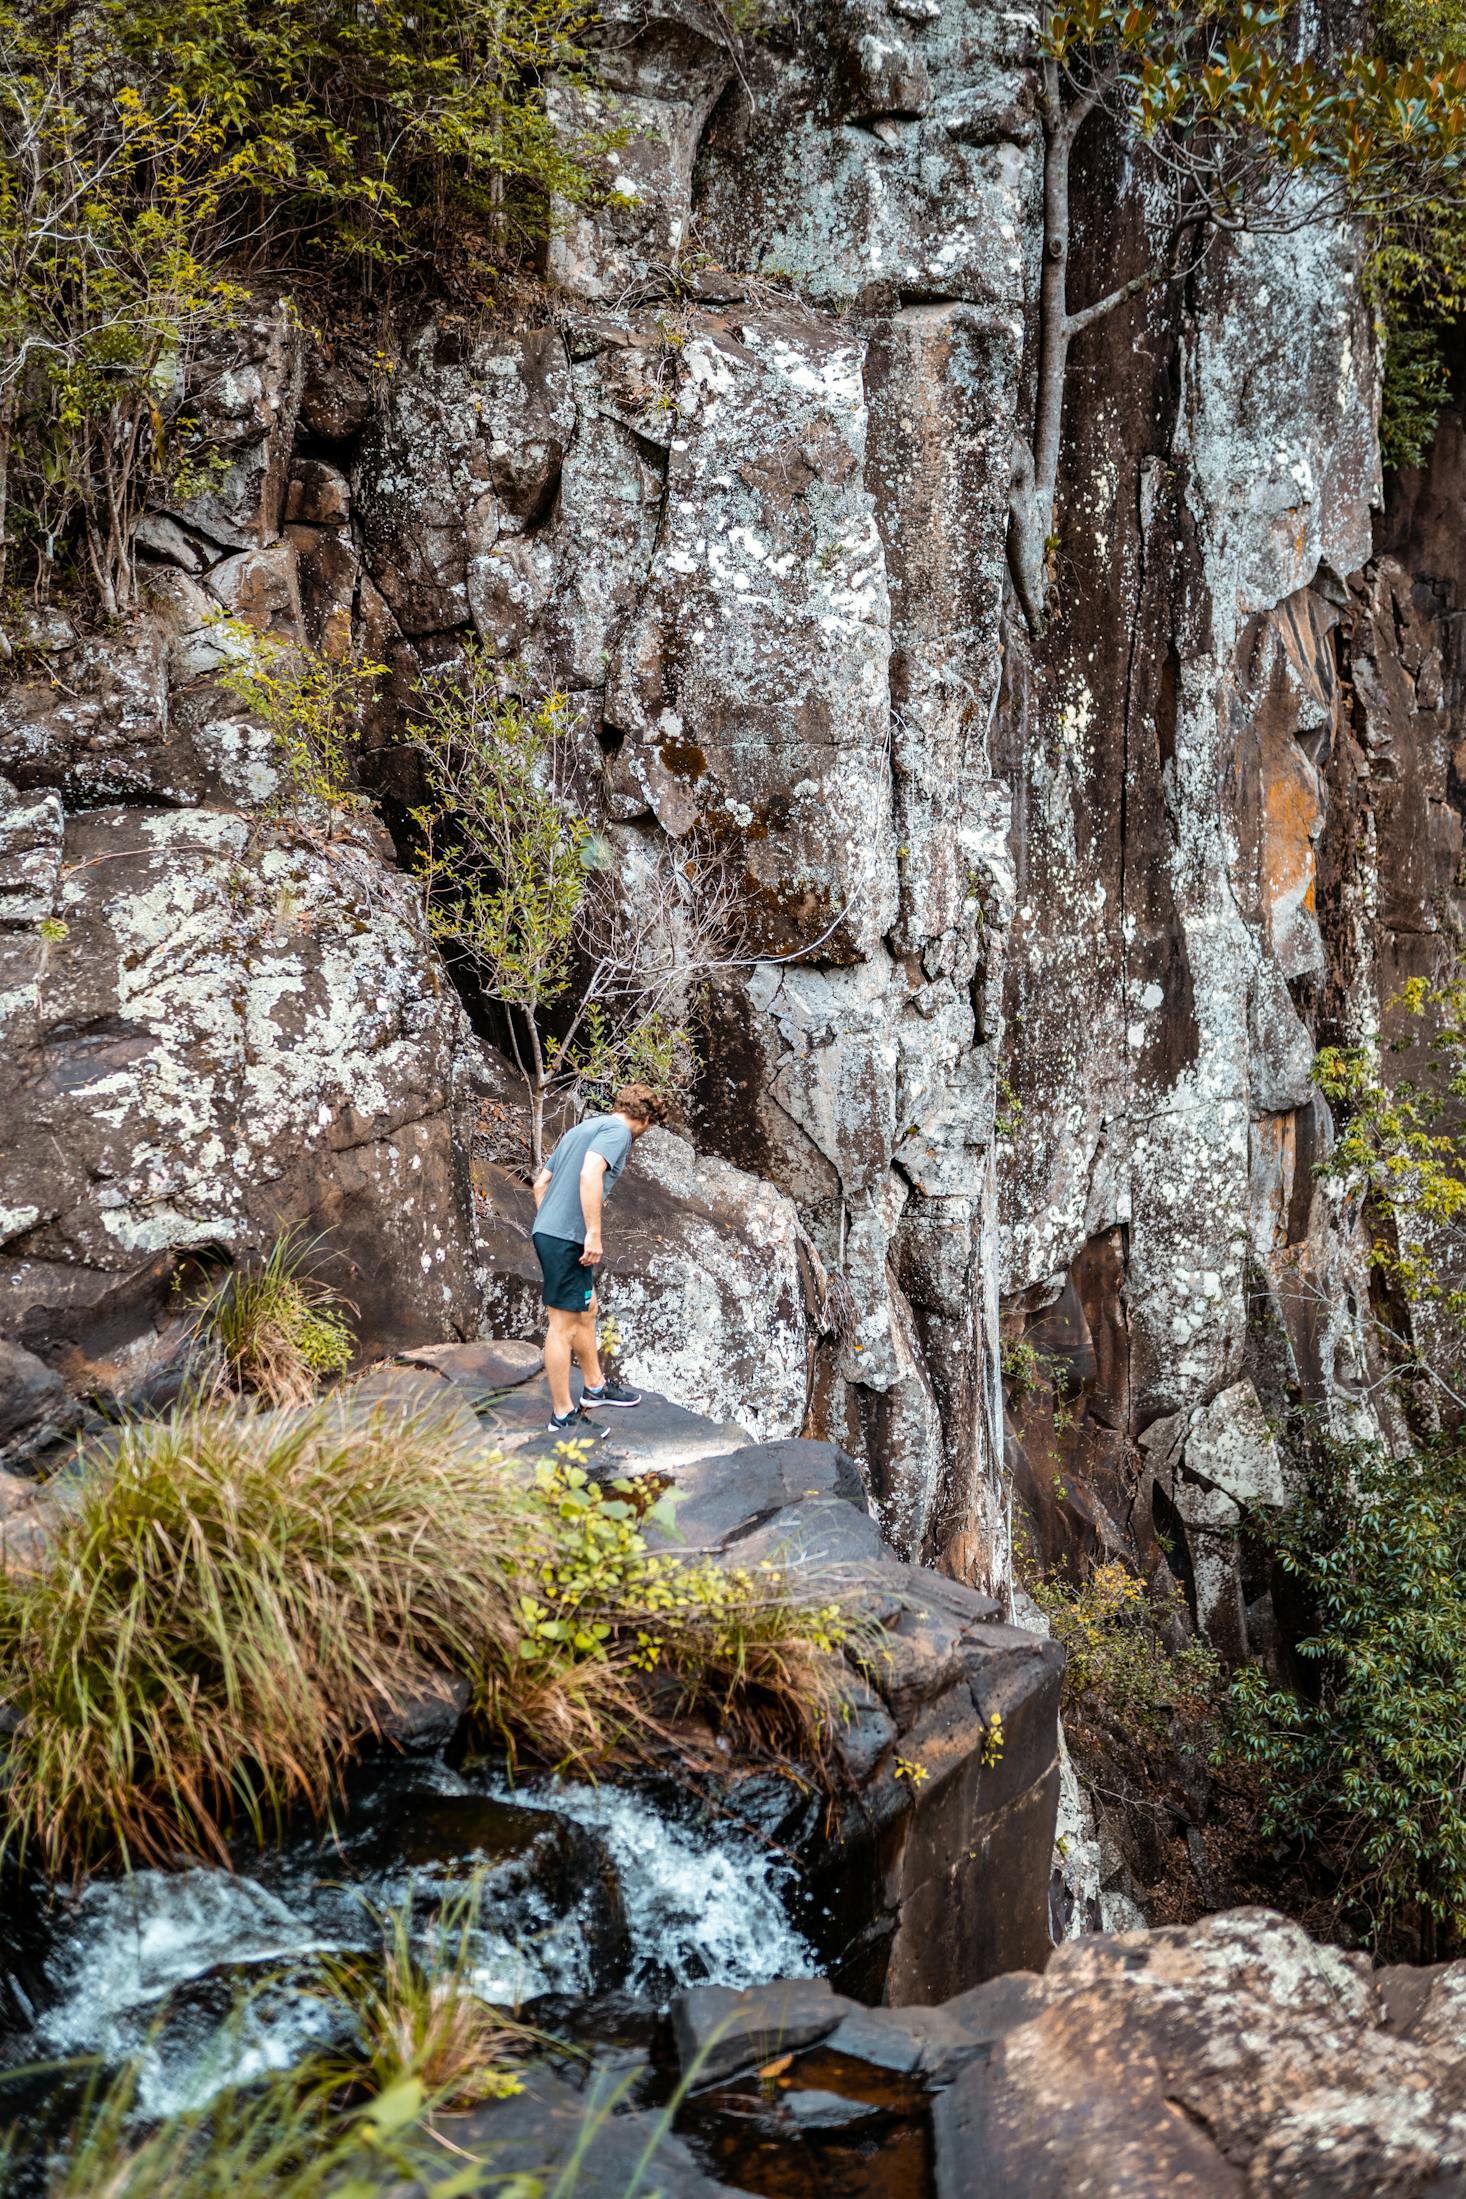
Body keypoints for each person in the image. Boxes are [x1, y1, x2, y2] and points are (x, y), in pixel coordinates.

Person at [531, 1084, 666, 1435]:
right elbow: (590, 1173)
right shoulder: (619, 1132)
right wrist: (590, 1232)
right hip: (568, 1239)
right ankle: (562, 1414)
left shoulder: (582, 1129)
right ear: (645, 1120)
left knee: (586, 1310)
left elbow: (540, 1185)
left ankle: (595, 1386)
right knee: (562, 1326)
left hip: (553, 1233)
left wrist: (551, 1224)